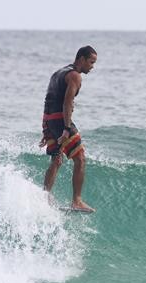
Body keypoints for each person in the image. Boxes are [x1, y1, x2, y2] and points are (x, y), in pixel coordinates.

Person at [39, 46, 97, 212]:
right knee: (80, 158)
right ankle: (77, 200)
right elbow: (67, 103)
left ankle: (45, 197)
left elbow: (48, 100)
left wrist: (46, 128)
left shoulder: (58, 73)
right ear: (81, 59)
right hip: (61, 121)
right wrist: (65, 128)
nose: (92, 66)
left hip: (49, 119)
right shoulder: (75, 76)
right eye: (91, 62)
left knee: (56, 159)